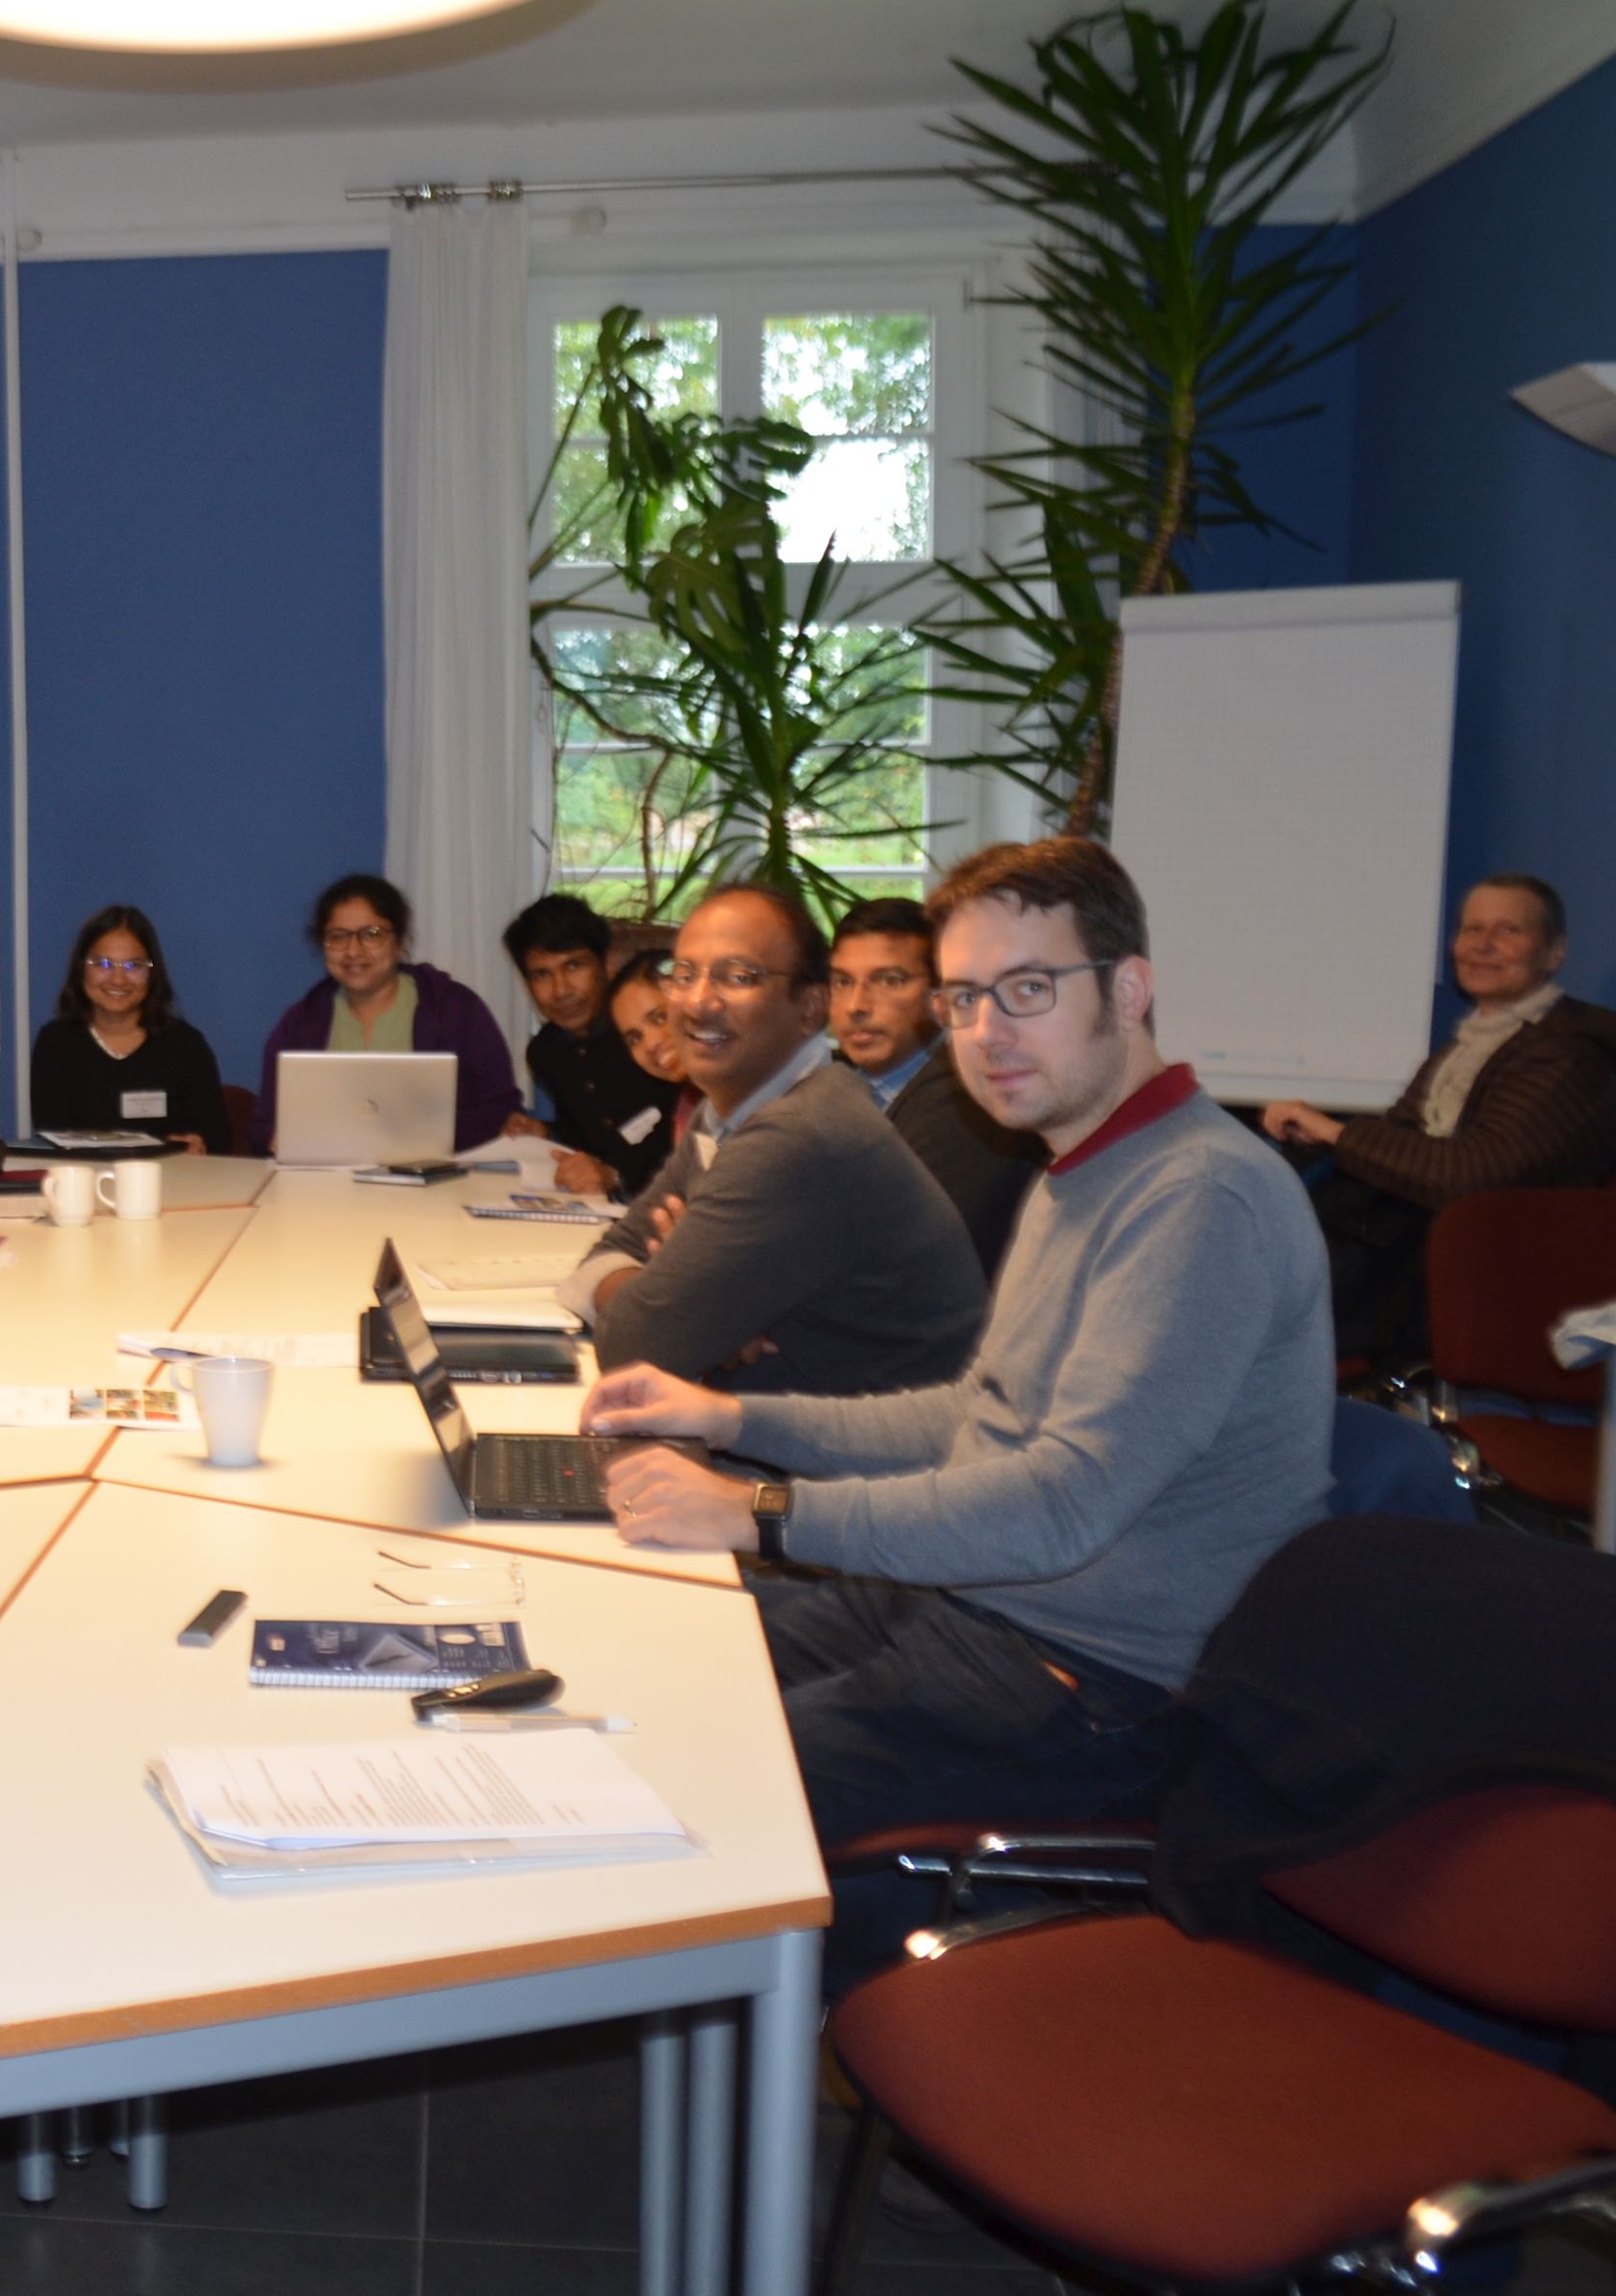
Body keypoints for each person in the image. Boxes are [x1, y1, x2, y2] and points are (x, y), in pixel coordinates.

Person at [585, 838, 1332, 1987]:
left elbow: (1058, 1507)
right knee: (656, 1670)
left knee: (697, 1780)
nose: (987, 1031)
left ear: (1129, 990)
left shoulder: (1200, 1197)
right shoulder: (1083, 1168)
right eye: (965, 998)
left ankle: (754, 2059)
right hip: (972, 1605)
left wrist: (759, 1514)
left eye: (1028, 990)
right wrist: (732, 1417)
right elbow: (971, 1420)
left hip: (1094, 1682)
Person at [554, 884, 984, 1397]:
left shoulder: (800, 1131)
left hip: (864, 1442)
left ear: (811, 1006)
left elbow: (632, 1347)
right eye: (684, 975)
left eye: (739, 977)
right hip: (784, 1420)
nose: (698, 1001)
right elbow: (606, 1257)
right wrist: (699, 1311)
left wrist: (689, 1311)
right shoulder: (726, 1110)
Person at [1258, 874, 1616, 1366]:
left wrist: (1337, 1132)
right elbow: (1401, 1142)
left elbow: (1468, 1177)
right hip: (1413, 1258)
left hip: (1493, 1273)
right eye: (1471, 929)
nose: (1482, 944)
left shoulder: (1565, 1061)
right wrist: (1321, 1139)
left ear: (1554, 953)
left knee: (1249, 1294)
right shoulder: (1472, 1046)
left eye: (1508, 930)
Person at [828, 895, 1045, 1279]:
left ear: (940, 998)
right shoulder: (825, 1091)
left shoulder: (974, 1103)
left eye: (889, 980)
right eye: (842, 982)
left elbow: (896, 1265)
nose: (855, 1005)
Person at [250, 874, 520, 1154]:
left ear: (400, 942)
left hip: (433, 1174)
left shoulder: (456, 1009)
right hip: (328, 1176)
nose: (353, 951)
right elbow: (262, 1126)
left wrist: (417, 1135)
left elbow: (501, 1109)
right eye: (338, 937)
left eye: (372, 934)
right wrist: (279, 1137)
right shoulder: (299, 1023)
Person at [498, 893, 674, 1196]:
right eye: (542, 974)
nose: (561, 990)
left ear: (606, 963)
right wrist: (545, 1133)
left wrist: (615, 1176)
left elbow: (686, 1142)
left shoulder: (652, 1035)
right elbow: (585, 1136)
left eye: (573, 966)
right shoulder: (545, 1052)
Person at [28, 903, 229, 1153]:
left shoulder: (186, 1046)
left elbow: (218, 1140)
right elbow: (53, 1138)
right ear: (81, 968)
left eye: (134, 966)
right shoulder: (56, 1044)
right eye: (103, 964)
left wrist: (201, 1145)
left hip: (171, 1176)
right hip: (84, 1176)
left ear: (153, 973)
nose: (118, 979)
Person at [607, 950, 702, 1155]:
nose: (650, 1044)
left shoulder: (759, 1094)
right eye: (635, 1038)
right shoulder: (687, 1110)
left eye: (660, 1017)